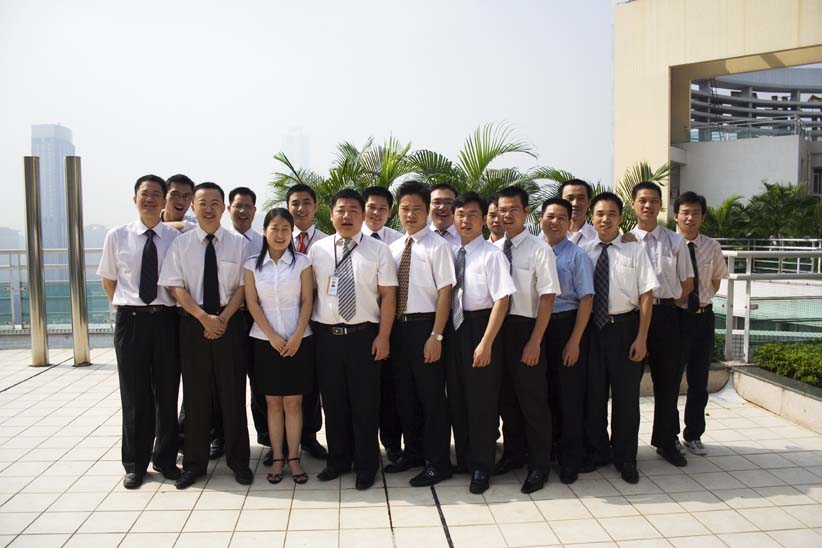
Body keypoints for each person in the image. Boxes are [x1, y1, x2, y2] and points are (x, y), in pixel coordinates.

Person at [159, 182, 253, 489]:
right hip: (193, 324)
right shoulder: (181, 244)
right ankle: (194, 464)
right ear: (193, 207)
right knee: (196, 396)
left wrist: (222, 318)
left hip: (230, 323)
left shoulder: (239, 245)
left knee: (233, 393)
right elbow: (175, 287)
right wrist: (203, 318)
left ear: (224, 208)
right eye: (203, 203)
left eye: (215, 203)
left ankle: (239, 462)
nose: (209, 209)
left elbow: (244, 287)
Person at [309, 188, 398, 490]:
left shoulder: (378, 250)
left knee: (365, 404)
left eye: (353, 210)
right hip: (327, 338)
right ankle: (338, 460)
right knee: (333, 404)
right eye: (341, 210)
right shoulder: (318, 250)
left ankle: (366, 465)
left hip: (364, 337)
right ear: (331, 214)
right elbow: (310, 294)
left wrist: (383, 336)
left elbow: (388, 296)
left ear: (362, 215)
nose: (347, 216)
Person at [98, 174, 181, 489]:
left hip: (166, 321)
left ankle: (165, 459)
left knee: (167, 392)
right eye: (144, 193)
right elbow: (109, 280)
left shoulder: (174, 238)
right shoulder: (117, 236)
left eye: (156, 194)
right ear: (135, 199)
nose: (150, 199)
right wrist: (128, 306)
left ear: (164, 201)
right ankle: (135, 464)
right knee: (134, 395)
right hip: (131, 321)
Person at [581, 192, 657, 484]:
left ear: (621, 218)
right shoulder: (584, 251)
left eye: (611, 214)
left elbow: (647, 296)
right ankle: (598, 451)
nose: (605, 219)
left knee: (626, 399)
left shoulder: (634, 251)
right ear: (592, 218)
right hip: (591, 331)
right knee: (594, 396)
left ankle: (626, 457)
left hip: (625, 329)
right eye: (600, 214)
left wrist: (642, 337)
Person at [385, 180, 454, 487]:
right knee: (405, 397)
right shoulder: (394, 248)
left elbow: (445, 293)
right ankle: (413, 453)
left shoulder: (438, 247)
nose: (410, 215)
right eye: (405, 209)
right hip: (398, 329)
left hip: (426, 327)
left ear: (427, 211)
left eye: (416, 209)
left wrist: (436, 336)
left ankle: (438, 463)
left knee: (431, 399)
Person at [447, 192, 516, 494]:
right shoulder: (450, 252)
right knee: (458, 398)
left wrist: (486, 342)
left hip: (481, 328)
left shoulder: (492, 255)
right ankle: (464, 458)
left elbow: (502, 299)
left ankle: (481, 466)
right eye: (461, 214)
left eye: (473, 214)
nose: (466, 220)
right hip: (454, 329)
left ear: (485, 219)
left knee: (482, 402)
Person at [493, 186, 559, 494]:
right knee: (506, 398)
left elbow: (547, 298)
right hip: (498, 330)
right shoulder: (494, 249)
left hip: (526, 329)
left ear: (526, 212)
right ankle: (513, 454)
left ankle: (539, 465)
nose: (507, 215)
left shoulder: (539, 249)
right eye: (502, 210)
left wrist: (535, 341)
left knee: (533, 402)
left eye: (513, 209)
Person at [244, 208, 314, 485]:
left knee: (294, 403)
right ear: (265, 231)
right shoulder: (252, 265)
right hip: (265, 341)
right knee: (272, 403)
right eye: (275, 228)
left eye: (286, 229)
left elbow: (307, 301)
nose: (281, 234)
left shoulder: (302, 262)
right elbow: (252, 303)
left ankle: (294, 458)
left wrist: (297, 336)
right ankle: (276, 458)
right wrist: (272, 335)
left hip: (298, 340)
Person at [630, 182, 693, 468]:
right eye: (643, 200)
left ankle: (666, 441)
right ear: (633, 204)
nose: (648, 205)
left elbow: (687, 283)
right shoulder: (624, 241)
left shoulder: (675, 242)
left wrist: (664, 301)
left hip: (667, 317)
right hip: (632, 318)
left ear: (661, 204)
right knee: (627, 385)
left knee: (667, 384)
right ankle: (624, 445)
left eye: (654, 200)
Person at [540, 198, 594, 484]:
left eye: (562, 217)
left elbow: (586, 299)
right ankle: (546, 452)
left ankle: (570, 459)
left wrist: (575, 341)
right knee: (543, 394)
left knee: (569, 396)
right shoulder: (534, 250)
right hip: (537, 328)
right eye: (550, 216)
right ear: (540, 219)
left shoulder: (577, 255)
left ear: (569, 222)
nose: (555, 222)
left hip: (566, 325)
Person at [674, 191, 728, 456]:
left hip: (703, 317)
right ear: (676, 216)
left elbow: (715, 281)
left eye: (695, 213)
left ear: (703, 217)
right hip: (675, 317)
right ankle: (669, 435)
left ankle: (693, 434)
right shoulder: (669, 245)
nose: (690, 217)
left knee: (699, 379)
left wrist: (700, 301)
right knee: (670, 380)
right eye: (685, 212)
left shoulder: (712, 246)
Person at [285, 183, 329, 462]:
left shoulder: (327, 243)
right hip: (281, 324)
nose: (301, 208)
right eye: (295, 203)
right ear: (287, 207)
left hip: (316, 325)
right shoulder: (276, 238)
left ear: (316, 206)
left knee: (312, 384)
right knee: (277, 385)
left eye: (306, 203)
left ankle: (309, 437)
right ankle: (275, 441)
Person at [361, 186, 403, 462]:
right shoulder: (347, 240)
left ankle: (392, 443)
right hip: (360, 326)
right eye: (371, 207)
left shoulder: (398, 243)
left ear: (390, 212)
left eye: (382, 209)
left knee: (389, 389)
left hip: (391, 327)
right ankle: (361, 446)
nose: (376, 213)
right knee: (362, 392)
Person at [227, 187, 270, 455]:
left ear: (255, 211)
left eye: (248, 207)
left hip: (258, 317)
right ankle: (221, 437)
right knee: (226, 381)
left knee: (261, 380)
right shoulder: (219, 239)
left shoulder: (264, 242)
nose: (242, 211)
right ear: (228, 209)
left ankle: (267, 437)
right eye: (237, 206)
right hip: (229, 318)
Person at [560, 179, 597, 246]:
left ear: (589, 202)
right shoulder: (548, 235)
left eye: (581, 198)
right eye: (570, 199)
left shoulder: (597, 236)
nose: (575, 204)